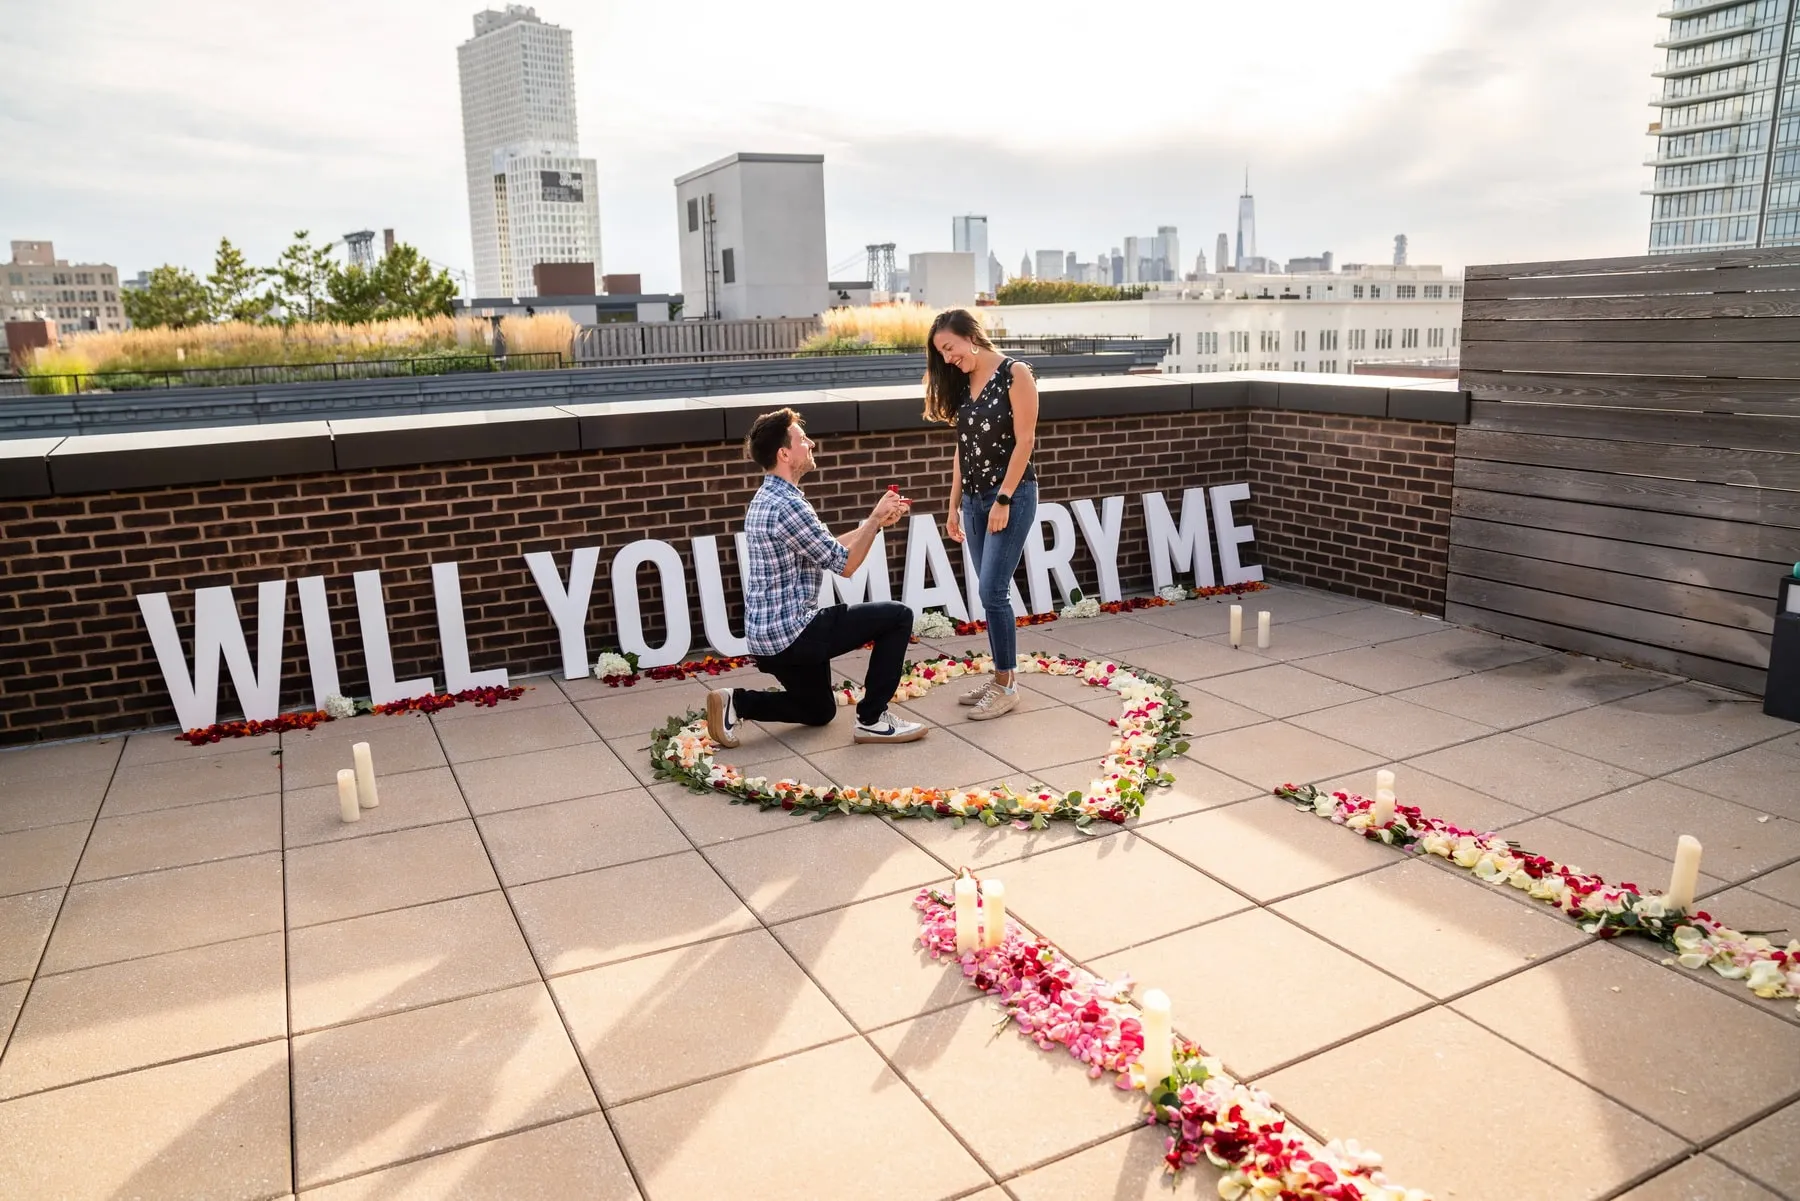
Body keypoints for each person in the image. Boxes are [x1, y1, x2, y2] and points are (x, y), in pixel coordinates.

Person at [704, 407, 927, 747]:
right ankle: (873, 719)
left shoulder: (768, 498)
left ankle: (738, 702)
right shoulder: (789, 505)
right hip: (793, 632)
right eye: (802, 440)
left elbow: (825, 549)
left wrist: (875, 523)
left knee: (819, 710)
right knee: (898, 616)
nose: (811, 444)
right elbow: (846, 566)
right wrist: (873, 519)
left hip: (769, 639)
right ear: (784, 454)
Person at [927, 308, 1039, 720]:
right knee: (988, 594)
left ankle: (1008, 685)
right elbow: (963, 448)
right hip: (973, 500)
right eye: (941, 353)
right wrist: (953, 503)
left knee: (994, 591)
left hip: (1010, 495)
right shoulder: (963, 384)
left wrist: (1004, 499)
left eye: (949, 348)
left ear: (970, 336)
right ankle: (999, 677)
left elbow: (1025, 442)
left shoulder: (1016, 374)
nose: (947, 358)